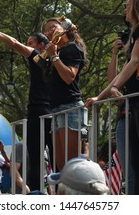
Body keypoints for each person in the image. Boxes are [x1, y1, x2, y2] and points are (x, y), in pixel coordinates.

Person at [0, 16, 53, 191]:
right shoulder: (58, 61)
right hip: (54, 112)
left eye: (31, 42)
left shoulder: (38, 57)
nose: (28, 45)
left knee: (35, 158)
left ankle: (37, 196)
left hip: (39, 111)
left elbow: (13, 43)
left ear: (42, 45)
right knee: (55, 159)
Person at [86, 0, 139, 194]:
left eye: (127, 5)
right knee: (134, 169)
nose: (124, 9)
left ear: (136, 6)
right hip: (131, 107)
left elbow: (135, 62)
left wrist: (114, 88)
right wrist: (101, 96)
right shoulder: (135, 34)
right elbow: (119, 73)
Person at [43, 16, 88, 171]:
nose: (48, 32)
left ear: (64, 28)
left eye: (52, 27)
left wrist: (54, 56)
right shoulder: (54, 51)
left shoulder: (72, 48)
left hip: (70, 107)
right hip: (55, 109)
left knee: (72, 164)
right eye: (46, 30)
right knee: (61, 166)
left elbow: (69, 77)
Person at [107, 37, 135, 194]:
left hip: (138, 114)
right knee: (130, 173)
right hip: (125, 117)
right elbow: (112, 82)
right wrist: (115, 53)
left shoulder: (137, 58)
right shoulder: (129, 61)